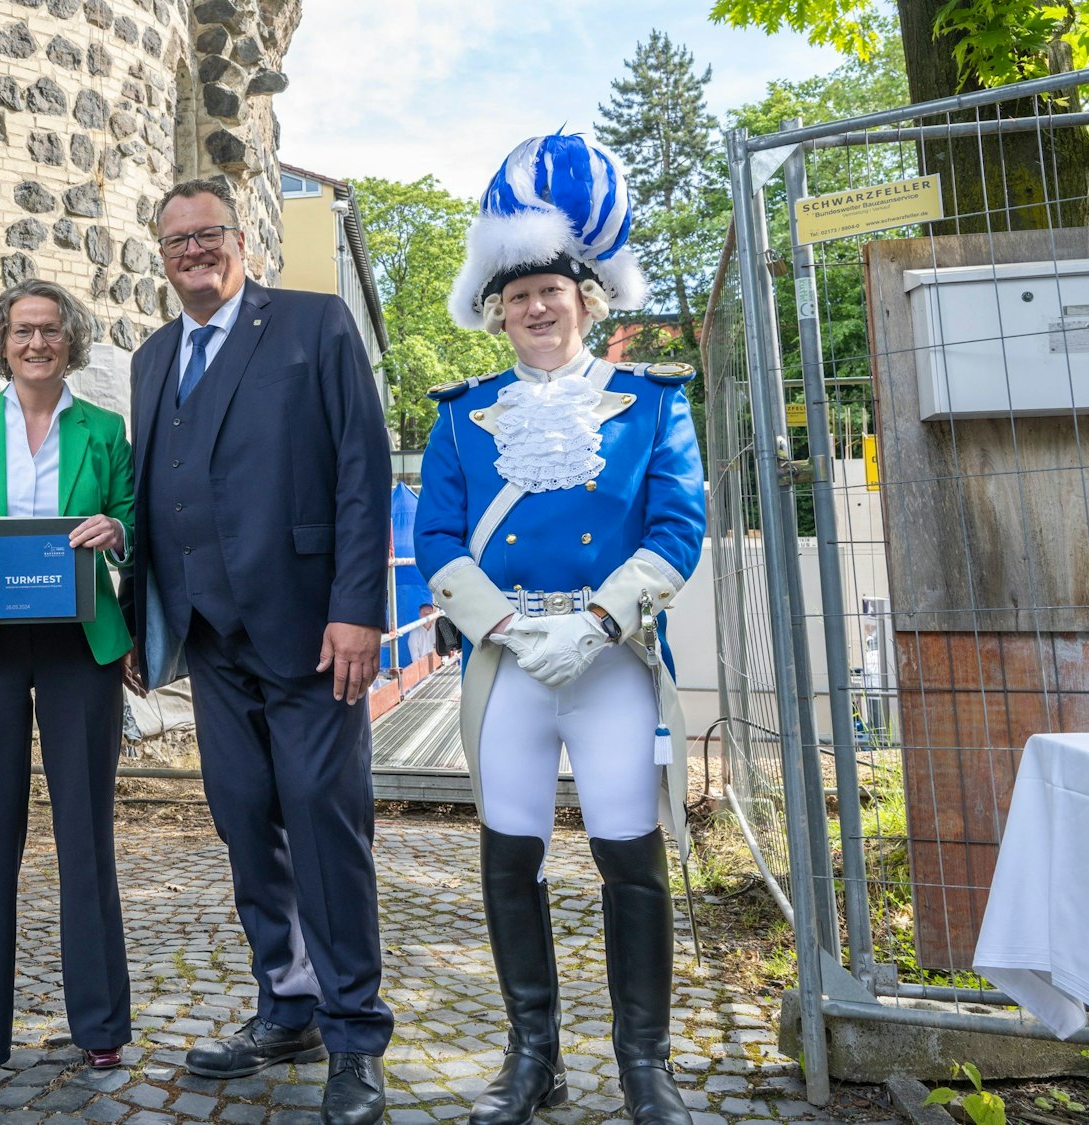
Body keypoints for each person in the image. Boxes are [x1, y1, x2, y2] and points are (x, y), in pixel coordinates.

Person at [413, 133, 705, 1125]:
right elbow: (437, 537)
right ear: (494, 311)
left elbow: (676, 525)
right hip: (506, 660)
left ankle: (643, 1066)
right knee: (510, 851)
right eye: (516, 294)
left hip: (606, 655)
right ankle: (531, 1056)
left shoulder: (650, 403)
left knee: (627, 849)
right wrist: (499, 623)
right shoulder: (461, 418)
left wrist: (596, 618)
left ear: (587, 300)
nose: (534, 307)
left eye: (552, 290)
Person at [122, 177, 394, 1125]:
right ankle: (286, 1003)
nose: (192, 250)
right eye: (175, 241)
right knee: (246, 825)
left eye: (208, 234)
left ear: (241, 240)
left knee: (325, 823)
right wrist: (135, 614)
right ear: (160, 258)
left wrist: (360, 607)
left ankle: (356, 1033)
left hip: (313, 630)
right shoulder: (153, 357)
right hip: (207, 635)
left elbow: (364, 464)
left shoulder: (315, 325)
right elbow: (153, 491)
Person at [0, 279, 137, 1095]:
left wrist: (117, 529)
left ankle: (102, 1027)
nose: (37, 342)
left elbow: (129, 517)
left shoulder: (105, 430)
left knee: (85, 832)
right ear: (1, 341)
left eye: (50, 330)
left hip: (82, 646)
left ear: (71, 341)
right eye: (22, 331)